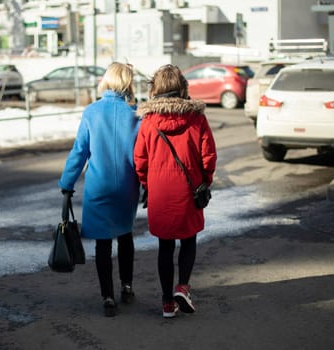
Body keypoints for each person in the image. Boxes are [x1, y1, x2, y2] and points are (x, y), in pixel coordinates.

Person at [133, 64, 217, 318]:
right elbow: (208, 156)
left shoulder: (149, 122)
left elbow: (140, 160)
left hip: (160, 193)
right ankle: (183, 287)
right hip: (189, 191)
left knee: (165, 247)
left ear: (156, 89)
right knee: (189, 239)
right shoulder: (197, 118)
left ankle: (167, 302)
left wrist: (148, 185)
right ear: (182, 87)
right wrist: (206, 181)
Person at [58, 62, 141, 317]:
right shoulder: (136, 114)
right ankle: (127, 286)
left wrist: (67, 183)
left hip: (99, 187)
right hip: (127, 186)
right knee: (126, 236)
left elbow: (80, 152)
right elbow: (142, 155)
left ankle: (107, 297)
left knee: (103, 244)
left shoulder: (92, 112)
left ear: (107, 81)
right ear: (128, 83)